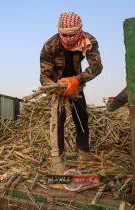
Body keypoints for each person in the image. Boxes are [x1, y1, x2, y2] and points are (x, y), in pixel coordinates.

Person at [40, 12, 103, 173]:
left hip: (77, 83)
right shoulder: (50, 46)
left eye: (72, 35)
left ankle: (83, 152)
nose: (68, 38)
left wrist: (77, 80)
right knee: (57, 119)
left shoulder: (88, 41)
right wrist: (56, 86)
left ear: (79, 31)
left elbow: (96, 67)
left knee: (81, 115)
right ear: (60, 31)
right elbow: (44, 75)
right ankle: (57, 158)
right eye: (65, 35)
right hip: (57, 85)